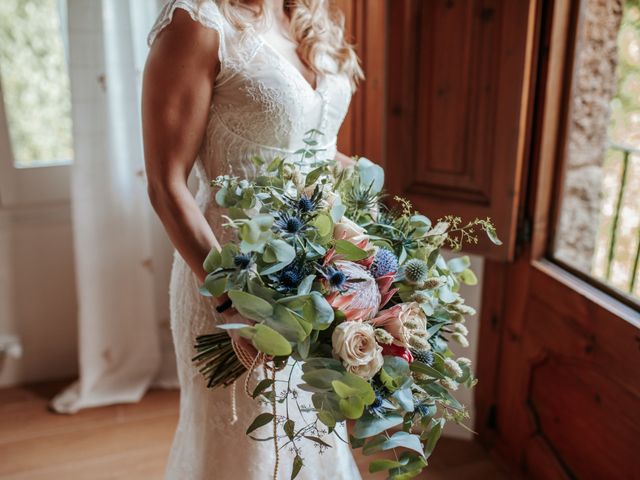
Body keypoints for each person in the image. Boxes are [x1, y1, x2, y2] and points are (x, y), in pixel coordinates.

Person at [141, 0, 363, 478]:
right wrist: (230, 301)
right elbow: (166, 183)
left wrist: (378, 234)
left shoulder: (308, 16)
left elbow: (315, 149)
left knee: (315, 435)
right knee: (249, 451)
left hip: (320, 276)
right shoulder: (198, 22)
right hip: (232, 276)